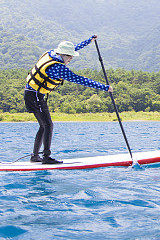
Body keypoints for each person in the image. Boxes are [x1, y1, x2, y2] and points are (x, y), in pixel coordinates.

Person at [25, 35, 112, 164]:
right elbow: (81, 80)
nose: (71, 59)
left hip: (32, 94)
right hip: (35, 96)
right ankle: (46, 158)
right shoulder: (58, 68)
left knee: (43, 126)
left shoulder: (53, 54)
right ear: (64, 55)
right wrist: (104, 87)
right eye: (70, 57)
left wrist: (89, 41)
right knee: (48, 125)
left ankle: (35, 156)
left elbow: (74, 48)